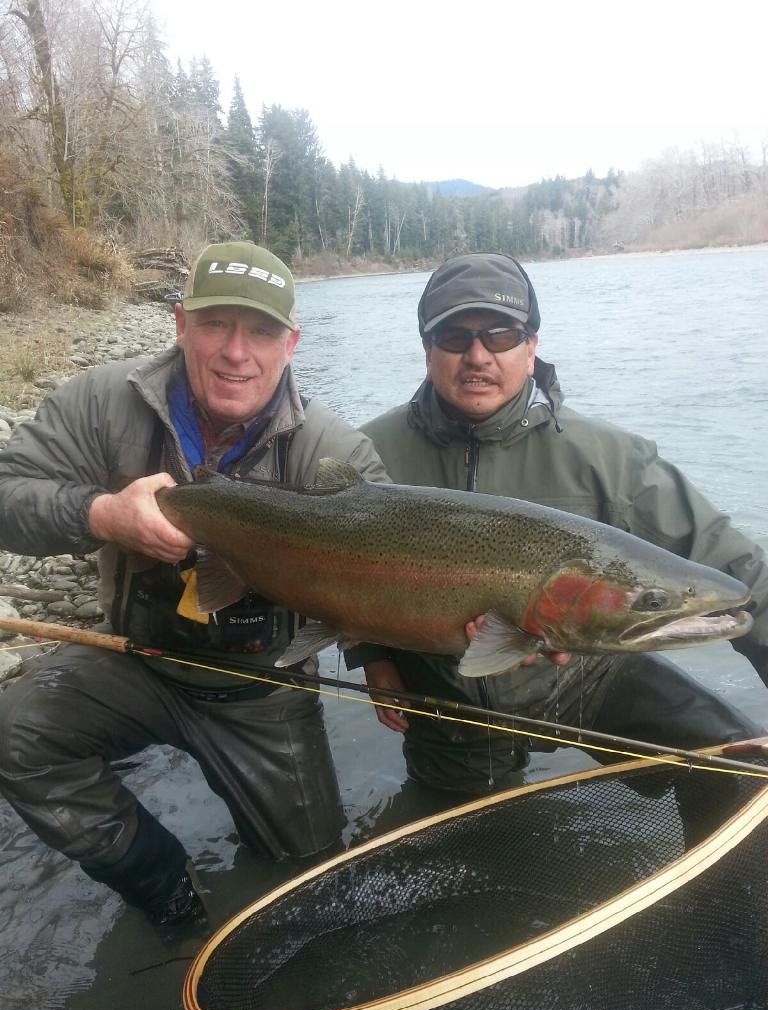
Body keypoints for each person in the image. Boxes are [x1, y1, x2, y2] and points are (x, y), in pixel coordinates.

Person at [0, 241, 388, 931]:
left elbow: (392, 575)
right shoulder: (103, 403)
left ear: (291, 343)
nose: (237, 351)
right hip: (136, 660)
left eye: (262, 331)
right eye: (216, 325)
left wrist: (398, 654)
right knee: (17, 734)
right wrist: (103, 515)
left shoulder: (336, 452)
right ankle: (165, 890)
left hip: (259, 685)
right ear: (180, 325)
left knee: (315, 881)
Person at [355, 252, 768, 809]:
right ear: (427, 348)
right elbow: (322, 563)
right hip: (445, 699)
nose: (477, 355)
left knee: (738, 768)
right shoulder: (364, 455)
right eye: (454, 336)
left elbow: (740, 575)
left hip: (582, 677)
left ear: (532, 346)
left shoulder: (606, 459)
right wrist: (372, 656)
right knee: (475, 857)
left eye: (501, 335)